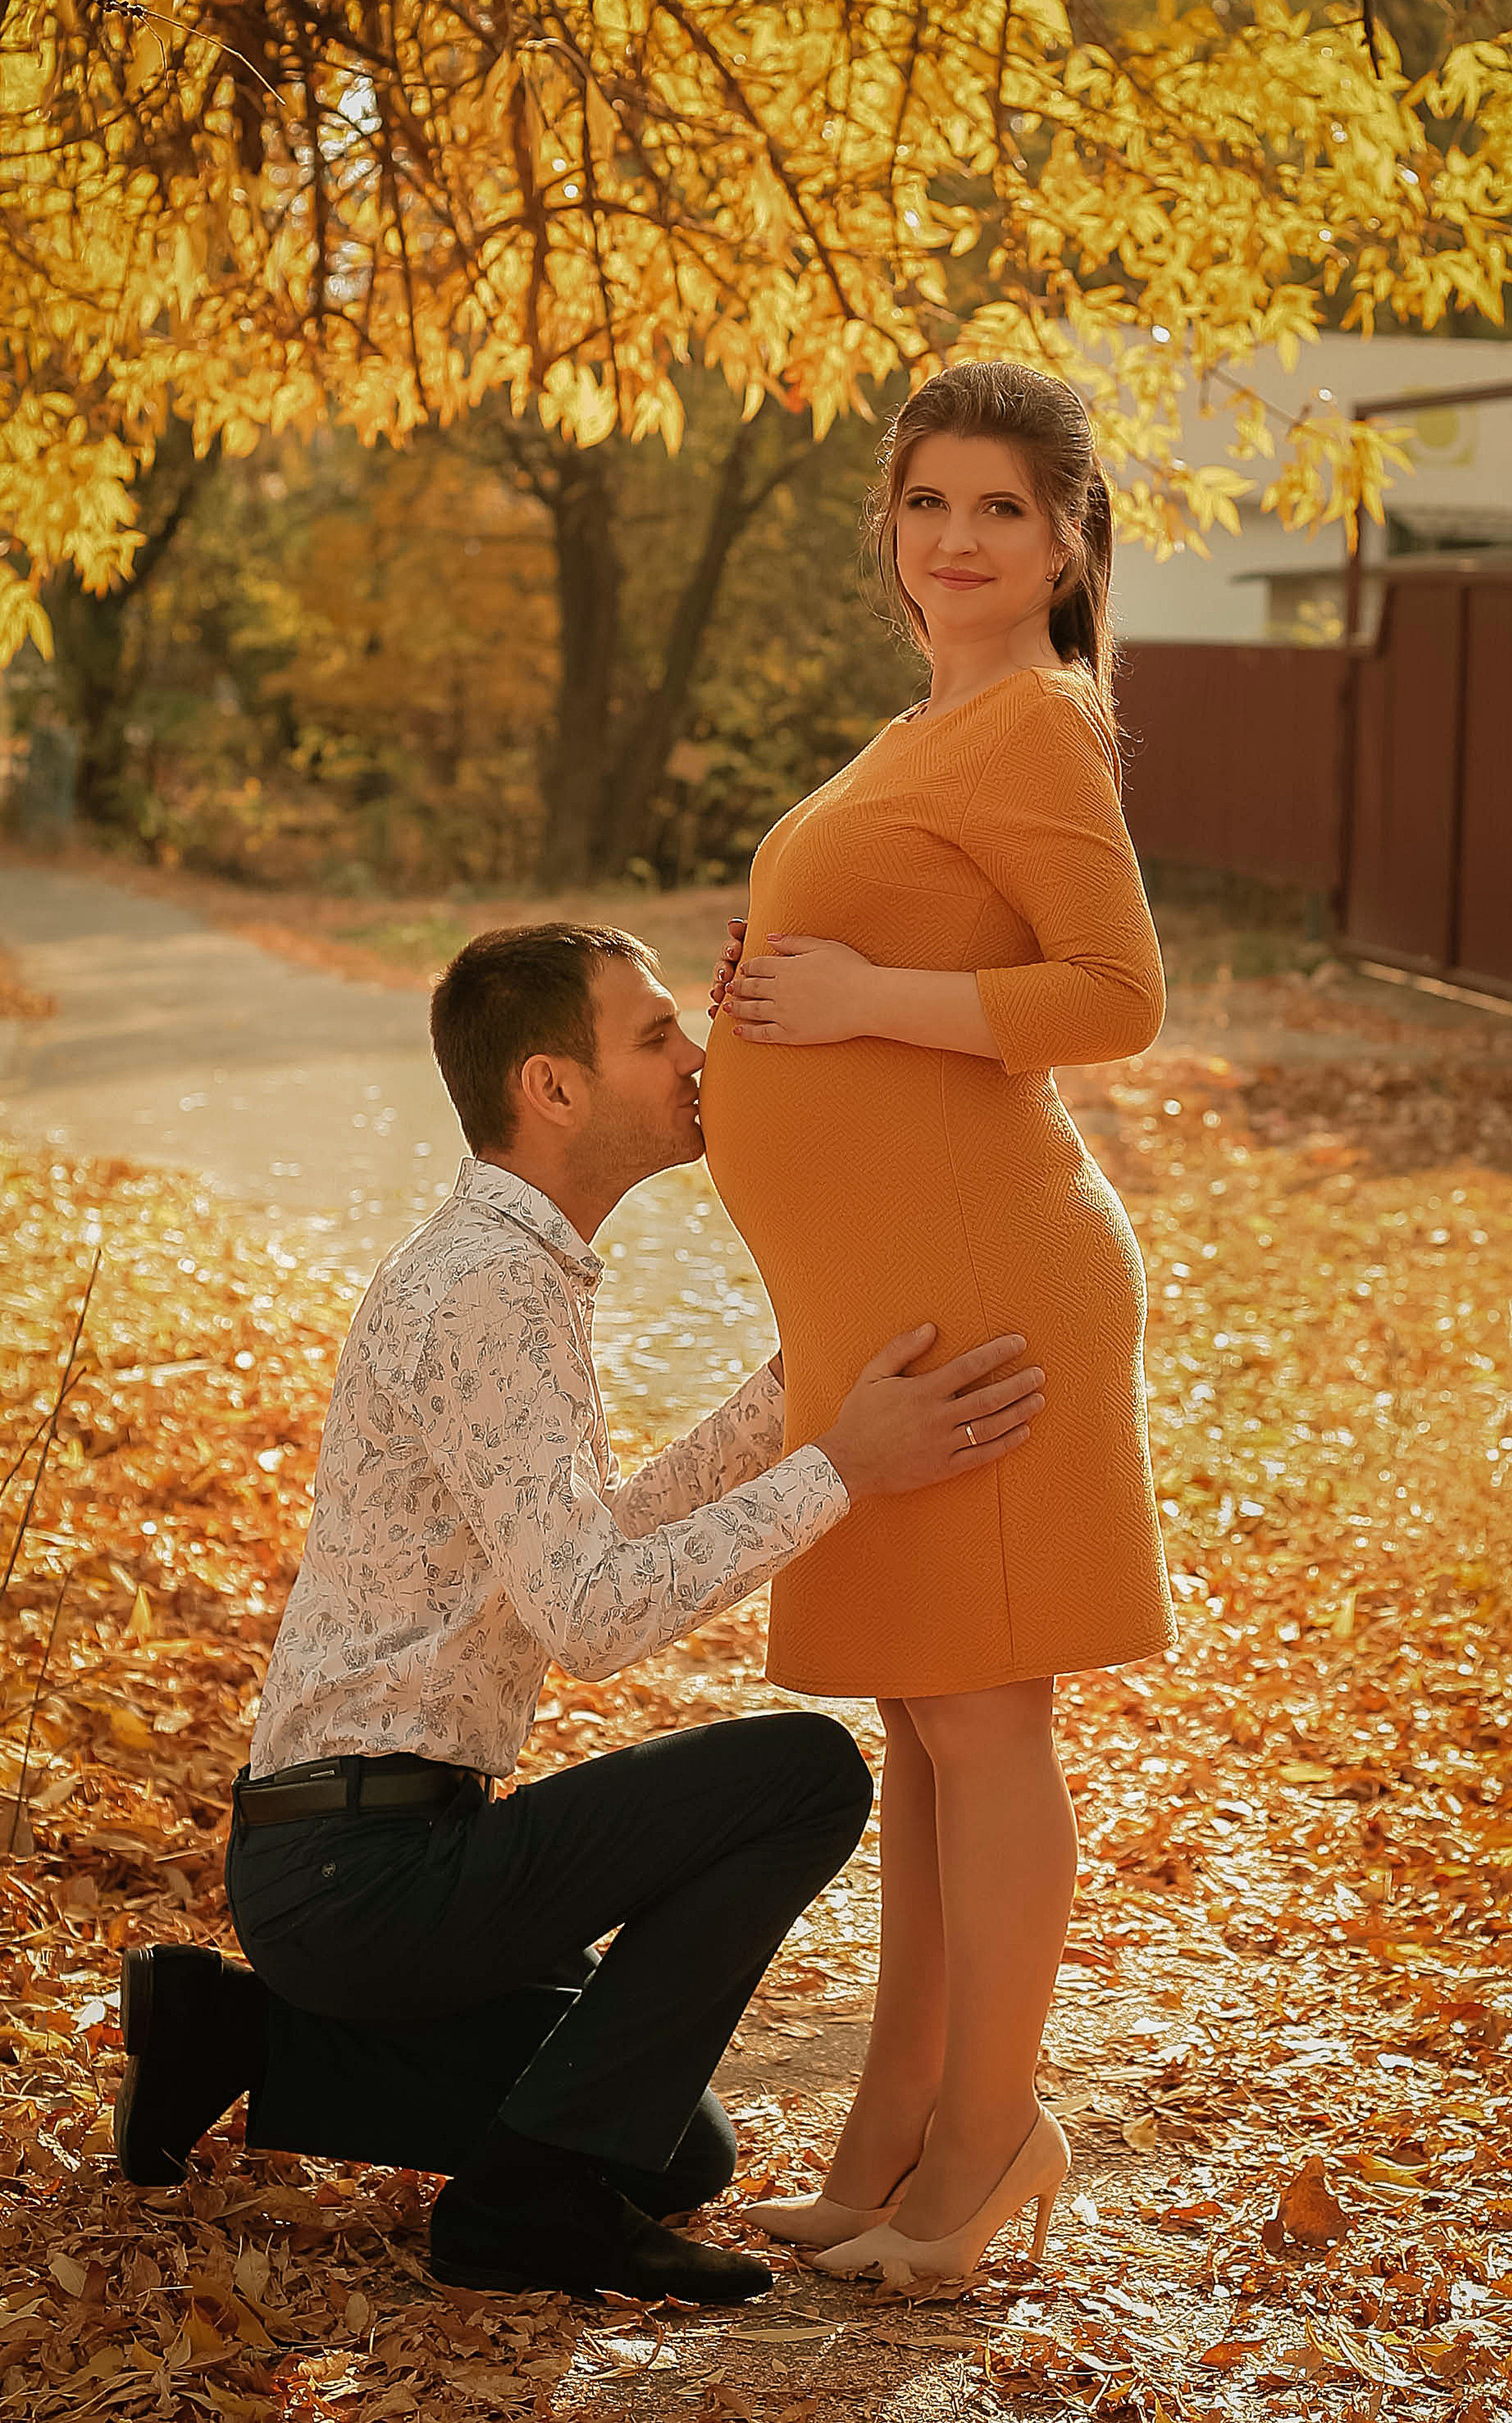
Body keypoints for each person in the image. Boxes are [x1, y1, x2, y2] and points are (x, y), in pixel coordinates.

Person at [114, 921, 1045, 2305]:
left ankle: (233, 2033)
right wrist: (844, 1468)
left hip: (361, 1856)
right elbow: (594, 1616)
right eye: (657, 1035)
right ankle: (521, 2214)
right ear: (553, 1088)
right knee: (802, 1776)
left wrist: (810, 1396)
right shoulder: (492, 1287)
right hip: (363, 1872)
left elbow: (590, 1537)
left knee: (678, 2152)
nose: (695, 1059)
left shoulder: (502, 1264)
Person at [701, 360, 1175, 2294]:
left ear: (1065, 541)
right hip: (893, 1301)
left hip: (992, 1293)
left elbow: (1117, 996)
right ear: (890, 529)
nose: (958, 539)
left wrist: (869, 1002)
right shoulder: (934, 727)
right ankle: (893, 2142)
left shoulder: (1042, 726)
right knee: (924, 1728)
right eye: (928, 505)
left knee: (983, 1726)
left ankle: (987, 2150)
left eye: (999, 508)